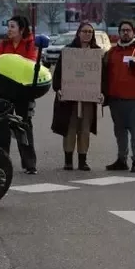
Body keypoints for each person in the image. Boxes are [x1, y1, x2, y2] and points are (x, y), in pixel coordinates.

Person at [103, 19, 135, 173]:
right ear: (119, 33)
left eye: (128, 30)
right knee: (119, 132)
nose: (125, 33)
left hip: (133, 99)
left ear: (133, 33)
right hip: (115, 99)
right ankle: (121, 159)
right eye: (122, 30)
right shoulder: (112, 52)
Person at [51, 22, 102, 172]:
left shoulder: (97, 52)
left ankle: (82, 161)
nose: (87, 34)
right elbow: (58, 74)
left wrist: (102, 92)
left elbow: (102, 76)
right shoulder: (68, 51)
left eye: (90, 32)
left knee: (85, 129)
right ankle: (68, 160)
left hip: (88, 98)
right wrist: (58, 89)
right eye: (84, 31)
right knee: (70, 128)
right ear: (78, 33)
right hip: (70, 99)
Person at [0, 15, 39, 174]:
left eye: (12, 27)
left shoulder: (30, 45)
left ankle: (29, 164)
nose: (9, 30)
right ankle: (1, 162)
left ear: (21, 29)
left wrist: (11, 65)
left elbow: (31, 64)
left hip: (23, 92)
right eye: (8, 26)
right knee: (3, 126)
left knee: (24, 125)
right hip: (4, 91)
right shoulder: (3, 44)